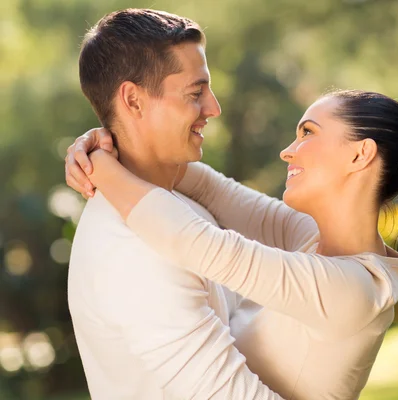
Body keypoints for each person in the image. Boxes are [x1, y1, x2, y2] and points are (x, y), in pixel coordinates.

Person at [67, 86, 398, 399]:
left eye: (308, 133)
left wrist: (100, 166)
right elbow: (208, 187)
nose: (288, 150)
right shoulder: (313, 241)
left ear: (360, 154)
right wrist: (113, 143)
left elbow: (197, 244)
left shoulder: (352, 291)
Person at [68, 8, 284, 399]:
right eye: (195, 93)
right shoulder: (133, 249)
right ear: (133, 100)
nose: (213, 108)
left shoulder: (175, 201)